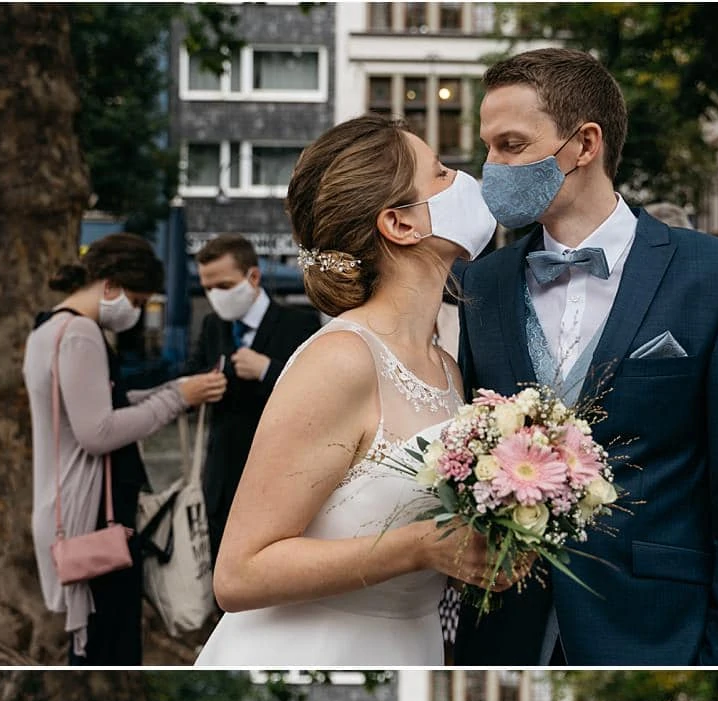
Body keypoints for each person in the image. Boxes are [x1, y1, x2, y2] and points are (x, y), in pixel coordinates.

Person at [452, 49, 718, 667]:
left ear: (584, 144)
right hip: (507, 631)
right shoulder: (483, 284)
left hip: (658, 630)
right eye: (488, 147)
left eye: (510, 145)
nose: (491, 168)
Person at [195, 114, 523, 668]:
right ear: (399, 224)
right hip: (308, 652)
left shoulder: (448, 364)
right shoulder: (342, 360)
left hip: (411, 646)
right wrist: (418, 548)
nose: (467, 181)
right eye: (442, 174)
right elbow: (238, 573)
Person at [24, 233, 226, 663]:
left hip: (75, 506)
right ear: (110, 285)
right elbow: (98, 431)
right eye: (137, 300)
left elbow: (99, 404)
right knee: (109, 642)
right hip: (95, 515)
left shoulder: (48, 328)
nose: (136, 312)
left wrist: (175, 388)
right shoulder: (80, 334)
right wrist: (178, 400)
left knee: (99, 640)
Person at [186, 234, 322, 561]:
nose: (215, 295)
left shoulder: (299, 322)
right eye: (207, 288)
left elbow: (318, 391)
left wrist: (268, 370)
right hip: (222, 475)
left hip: (280, 475)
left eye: (223, 285)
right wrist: (197, 388)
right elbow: (189, 375)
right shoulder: (212, 324)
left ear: (253, 277)